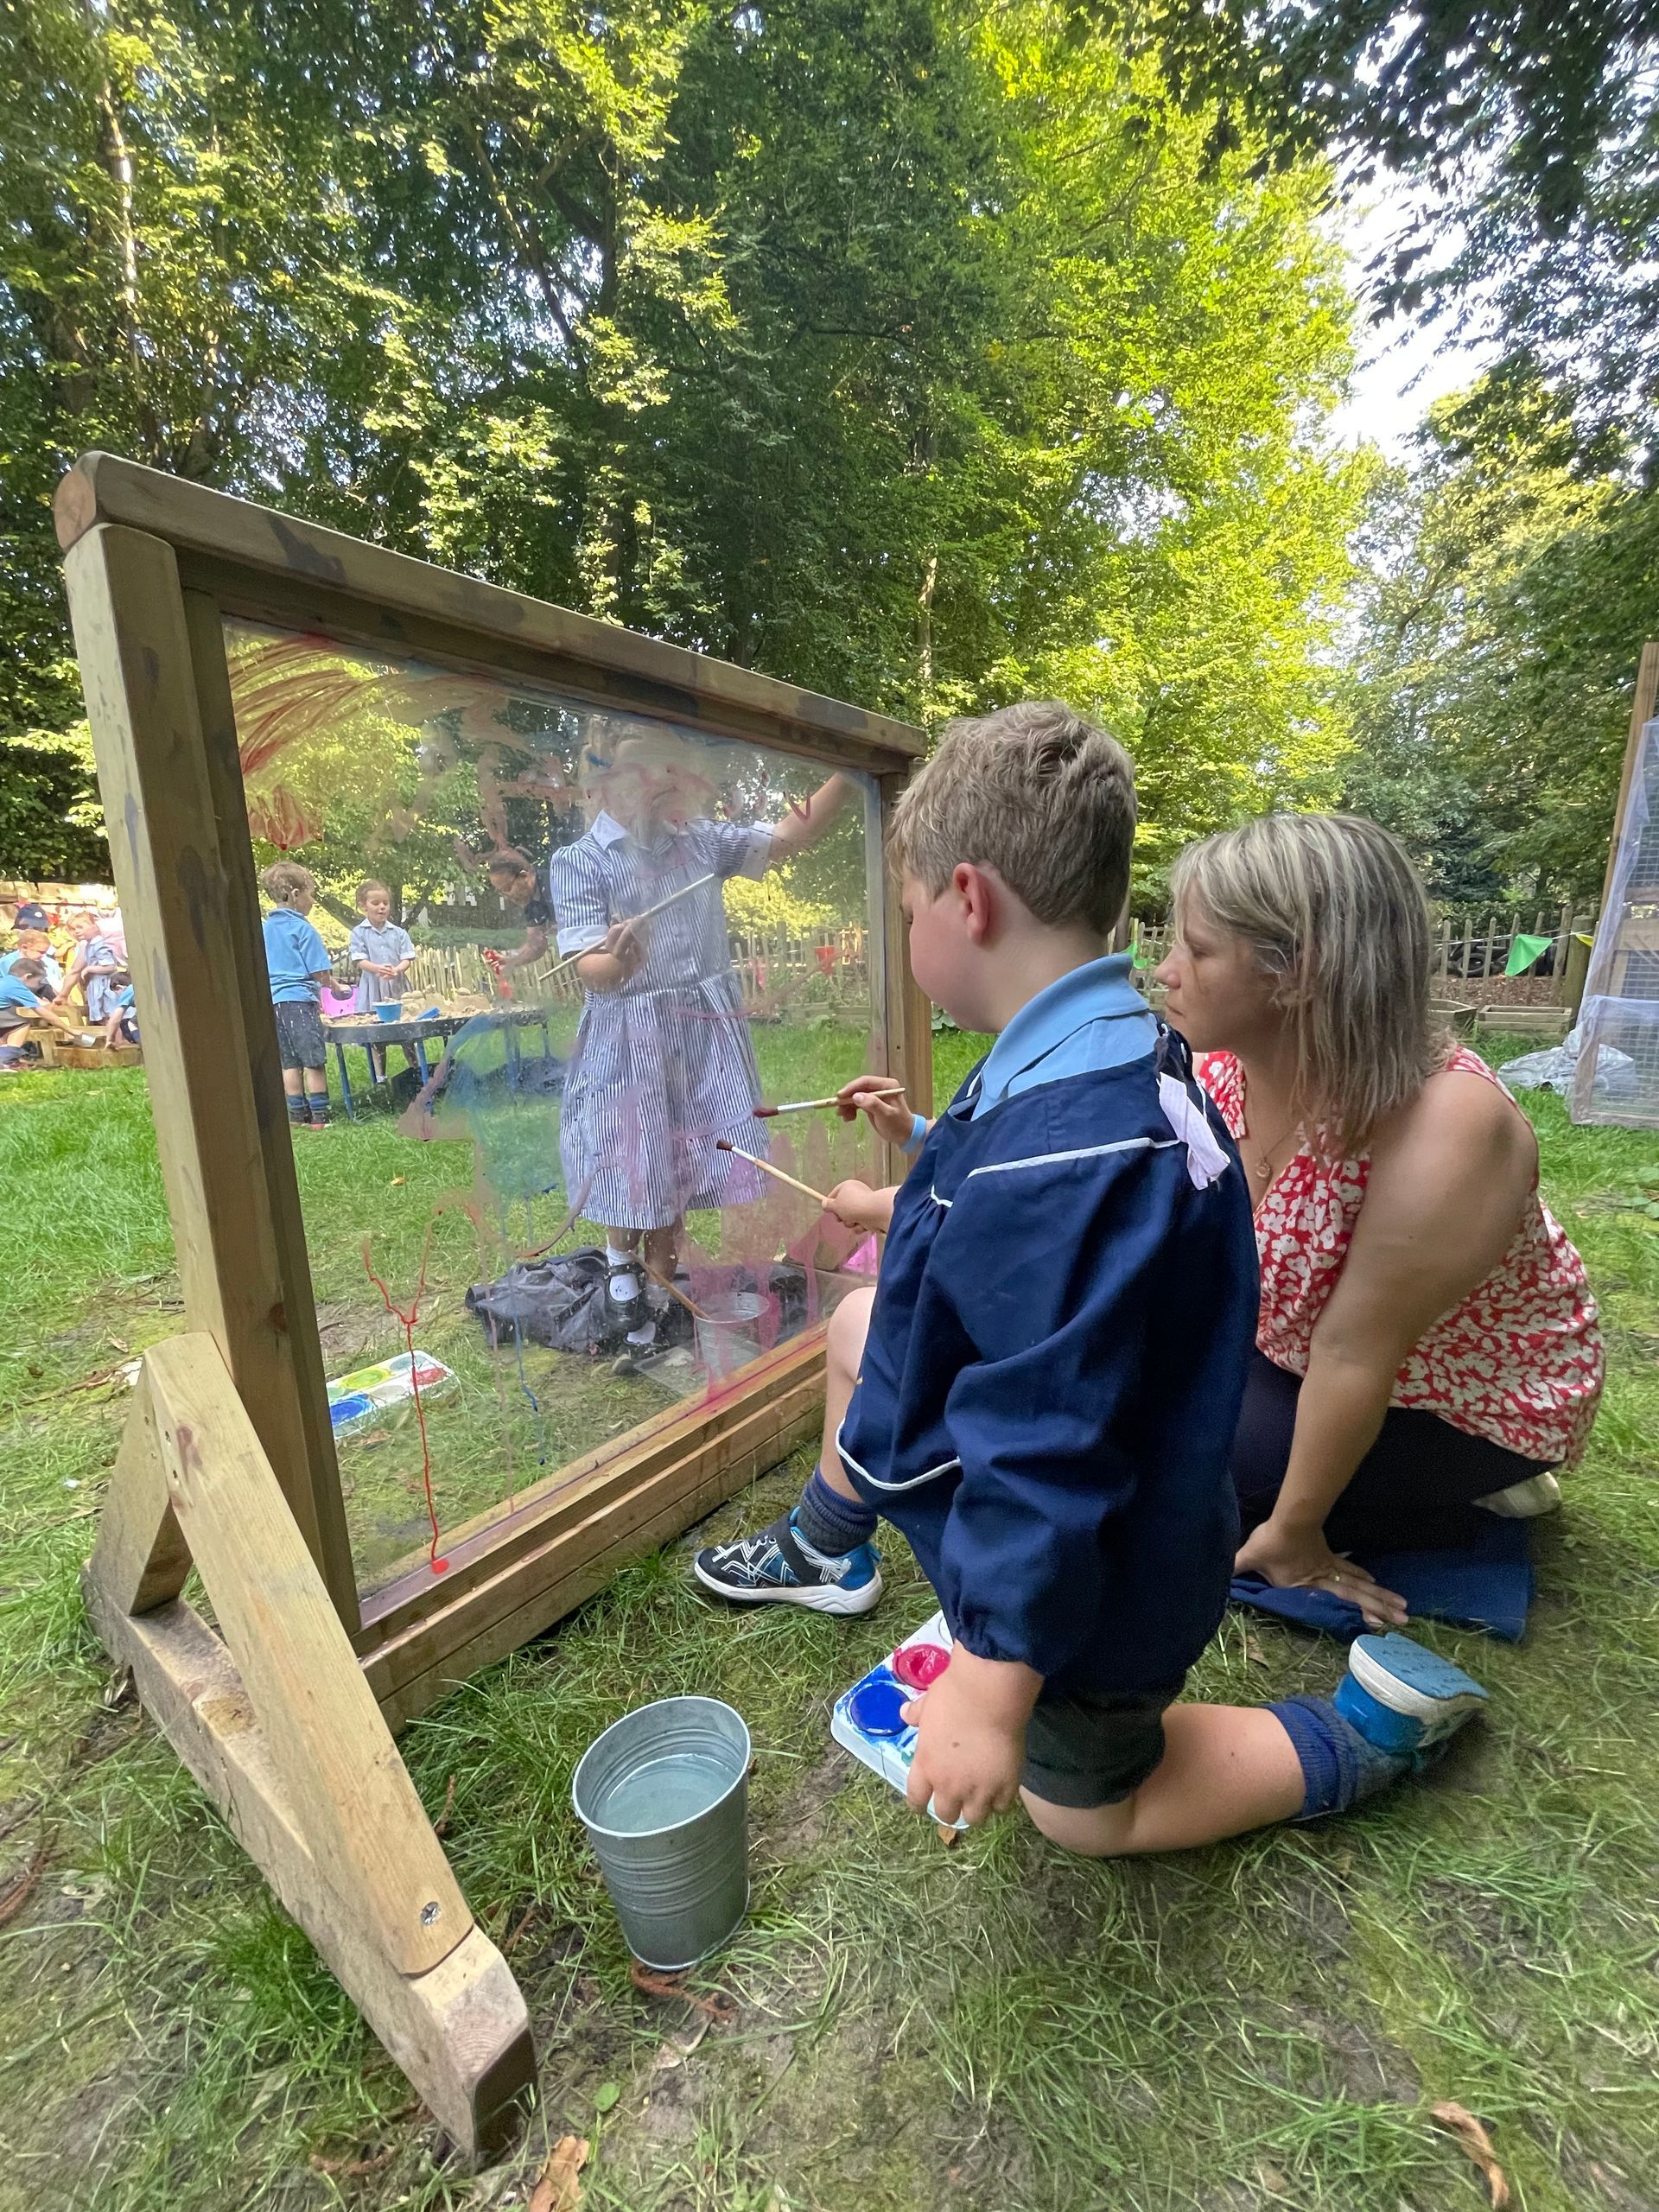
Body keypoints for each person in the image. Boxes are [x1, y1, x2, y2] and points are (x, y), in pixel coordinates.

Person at [695, 703, 1489, 1853]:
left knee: (1083, 1813)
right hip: (1117, 1500)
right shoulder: (1109, 1051)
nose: (907, 934)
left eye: (907, 909)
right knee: (863, 1326)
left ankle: (1361, 1729)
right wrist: (917, 1172)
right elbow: (1026, 1218)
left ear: (966, 901)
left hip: (1101, 1584)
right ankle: (828, 1542)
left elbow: (1045, 1449)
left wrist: (990, 1680)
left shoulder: (1066, 1156)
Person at [1155, 814, 1604, 1628]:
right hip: (1298, 1350)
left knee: (1197, 1483)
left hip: (1452, 1392)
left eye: (1197, 949)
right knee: (1136, 1414)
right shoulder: (1221, 1071)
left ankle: (1482, 1480)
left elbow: (1355, 1348)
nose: (1165, 971)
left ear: (1295, 974)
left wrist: (1295, 1536)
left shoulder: (1448, 1127)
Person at [550, 718, 856, 1370]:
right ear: (602, 785)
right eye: (639, 766)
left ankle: (660, 1296)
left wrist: (853, 775)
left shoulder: (702, 843)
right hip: (629, 1034)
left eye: (668, 766)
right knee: (633, 1153)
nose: (658, 779)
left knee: (679, 1160)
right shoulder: (579, 861)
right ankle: (619, 1269)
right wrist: (619, 961)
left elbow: (786, 838)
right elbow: (587, 968)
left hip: (699, 1032)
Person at [260, 861, 334, 1131]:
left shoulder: (265, 929)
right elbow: (320, 973)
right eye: (310, 893)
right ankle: (320, 1118)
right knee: (313, 1061)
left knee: (289, 1061)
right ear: (294, 894)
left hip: (275, 1002)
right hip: (300, 1001)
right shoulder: (303, 929)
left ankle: (296, 1116)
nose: (312, 900)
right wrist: (335, 987)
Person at [348, 878, 417, 1084]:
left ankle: (415, 1071)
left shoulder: (399, 932)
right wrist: (378, 969)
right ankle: (380, 1078)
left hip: (397, 986)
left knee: (407, 1032)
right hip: (374, 987)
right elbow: (359, 960)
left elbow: (408, 958)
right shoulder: (358, 933)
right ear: (363, 906)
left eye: (385, 903)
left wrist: (396, 970)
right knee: (377, 1036)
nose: (381, 907)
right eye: (375, 903)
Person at [0, 957, 93, 1068]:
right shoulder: (16, 987)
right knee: (20, 1026)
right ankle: (6, 1060)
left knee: (8, 1027)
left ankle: (9, 1059)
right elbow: (43, 1013)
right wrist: (70, 1030)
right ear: (28, 977)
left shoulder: (6, 981)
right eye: (38, 982)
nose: (39, 985)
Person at [485, 849, 554, 979]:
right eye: (501, 892)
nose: (506, 896)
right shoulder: (532, 904)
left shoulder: (554, 885)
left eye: (507, 889)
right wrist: (509, 960)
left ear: (523, 876)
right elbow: (535, 945)